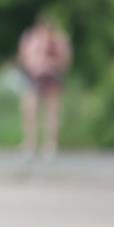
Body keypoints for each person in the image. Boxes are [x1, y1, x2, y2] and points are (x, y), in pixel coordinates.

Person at [17, 14, 72, 158]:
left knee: (52, 112)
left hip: (52, 77)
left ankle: (50, 144)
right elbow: (24, 57)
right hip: (34, 77)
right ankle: (31, 143)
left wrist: (49, 64)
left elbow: (65, 60)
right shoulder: (31, 38)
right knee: (30, 110)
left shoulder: (59, 40)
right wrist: (37, 64)